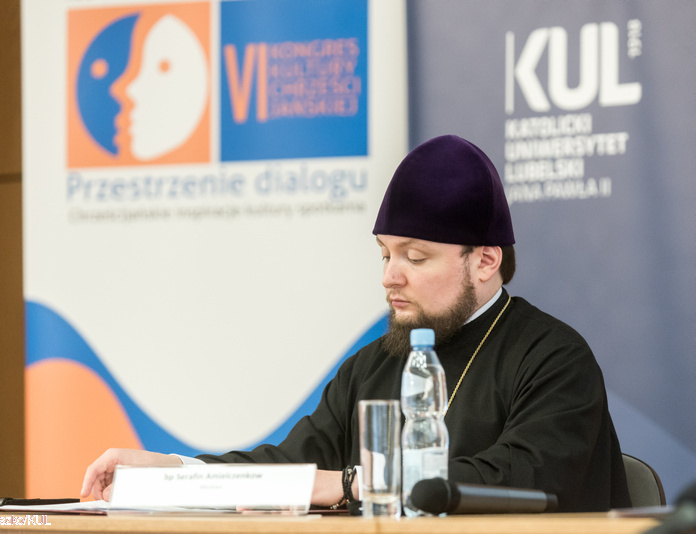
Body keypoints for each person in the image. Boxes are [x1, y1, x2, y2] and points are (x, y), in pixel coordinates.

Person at [80, 135, 631, 513]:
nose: (390, 276)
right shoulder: (373, 366)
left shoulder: (555, 359)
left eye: (415, 257)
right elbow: (289, 467)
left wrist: (351, 483)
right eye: (384, 254)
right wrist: (170, 472)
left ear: (485, 261)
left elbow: (523, 480)